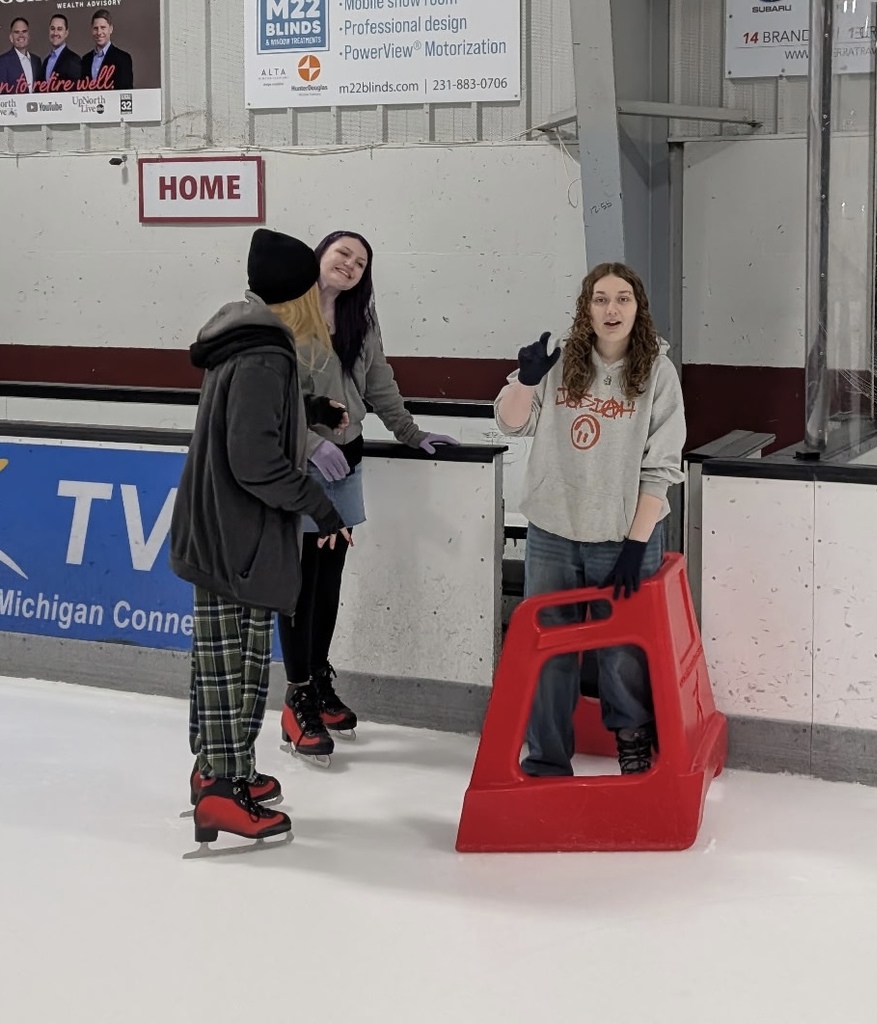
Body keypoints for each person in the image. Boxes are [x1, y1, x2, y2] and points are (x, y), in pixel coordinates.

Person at [169, 228, 349, 848]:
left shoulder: (245, 341)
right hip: (235, 533)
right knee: (233, 664)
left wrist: (310, 413)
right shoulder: (265, 352)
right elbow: (254, 459)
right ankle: (222, 792)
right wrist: (319, 508)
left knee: (226, 658)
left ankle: (223, 768)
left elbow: (256, 420)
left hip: (222, 527)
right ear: (298, 294)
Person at [494, 262, 686, 778]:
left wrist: (634, 543)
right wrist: (528, 380)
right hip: (554, 530)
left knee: (622, 648)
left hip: (622, 536)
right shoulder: (559, 360)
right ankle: (547, 756)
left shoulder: (657, 372)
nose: (611, 309)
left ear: (637, 308)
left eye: (622, 299)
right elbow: (512, 423)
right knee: (550, 647)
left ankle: (631, 739)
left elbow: (663, 464)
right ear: (586, 308)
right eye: (600, 299)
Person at [275, 230, 459, 755]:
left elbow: (379, 383)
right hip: (300, 467)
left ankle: (317, 676)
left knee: (328, 580)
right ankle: (297, 698)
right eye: (342, 255)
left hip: (346, 463)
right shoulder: (285, 313)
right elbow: (271, 394)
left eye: (360, 262)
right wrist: (309, 442)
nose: (350, 266)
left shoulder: (361, 320)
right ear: (321, 256)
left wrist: (412, 432)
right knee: (300, 583)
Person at [80, 10, 132, 91]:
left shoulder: (123, 59)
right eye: (95, 28)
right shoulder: (85, 60)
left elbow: (125, 93)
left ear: (110, 29)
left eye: (103, 28)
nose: (99, 32)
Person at [0, 19, 43, 93]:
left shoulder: (36, 61)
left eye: (24, 31)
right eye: (17, 32)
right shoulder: (3, 62)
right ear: (11, 37)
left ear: (28, 35)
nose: (21, 35)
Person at [43, 15, 82, 87]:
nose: (55, 33)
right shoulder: (46, 61)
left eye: (59, 29)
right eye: (52, 28)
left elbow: (75, 92)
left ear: (66, 33)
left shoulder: (74, 60)